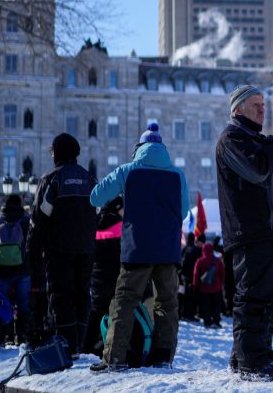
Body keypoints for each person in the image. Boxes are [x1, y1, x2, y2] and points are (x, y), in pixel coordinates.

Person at [89, 121, 189, 372]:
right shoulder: (177, 174)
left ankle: (114, 358)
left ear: (139, 147)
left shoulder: (129, 170)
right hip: (168, 251)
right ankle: (163, 357)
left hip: (138, 249)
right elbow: (184, 211)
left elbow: (96, 197)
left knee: (124, 300)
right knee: (167, 304)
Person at [216, 84, 273, 381]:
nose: (262, 109)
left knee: (270, 295)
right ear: (237, 109)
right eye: (255, 104)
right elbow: (259, 169)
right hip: (251, 229)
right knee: (253, 296)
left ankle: (249, 354)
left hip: (272, 229)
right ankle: (252, 361)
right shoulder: (232, 138)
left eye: (263, 104)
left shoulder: (258, 140)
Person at [29, 132, 98, 354]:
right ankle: (80, 344)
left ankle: (67, 346)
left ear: (57, 154)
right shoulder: (90, 180)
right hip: (86, 250)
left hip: (58, 250)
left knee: (61, 296)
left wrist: (32, 252)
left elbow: (38, 220)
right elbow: (97, 214)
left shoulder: (51, 180)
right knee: (82, 295)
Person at [0, 193, 31, 344]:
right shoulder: (26, 222)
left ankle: (3, 336)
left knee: (1, 303)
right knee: (23, 304)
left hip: (0, 271)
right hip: (22, 270)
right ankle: (21, 336)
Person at [83, 196, 124, 356]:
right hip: (115, 274)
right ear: (118, 207)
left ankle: (87, 345)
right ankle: (106, 346)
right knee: (114, 312)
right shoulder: (121, 225)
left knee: (95, 312)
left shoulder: (95, 222)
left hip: (97, 274)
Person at [193, 241, 225, 328]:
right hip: (216, 287)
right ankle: (216, 321)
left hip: (204, 288)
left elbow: (196, 275)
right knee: (216, 305)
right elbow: (222, 273)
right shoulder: (217, 260)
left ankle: (207, 322)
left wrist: (195, 286)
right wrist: (220, 283)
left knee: (205, 305)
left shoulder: (199, 261)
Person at [180, 233, 201, 321]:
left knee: (184, 296)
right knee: (193, 297)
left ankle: (184, 313)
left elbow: (181, 262)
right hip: (195, 276)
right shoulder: (197, 249)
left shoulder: (184, 249)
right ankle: (191, 314)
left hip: (184, 276)